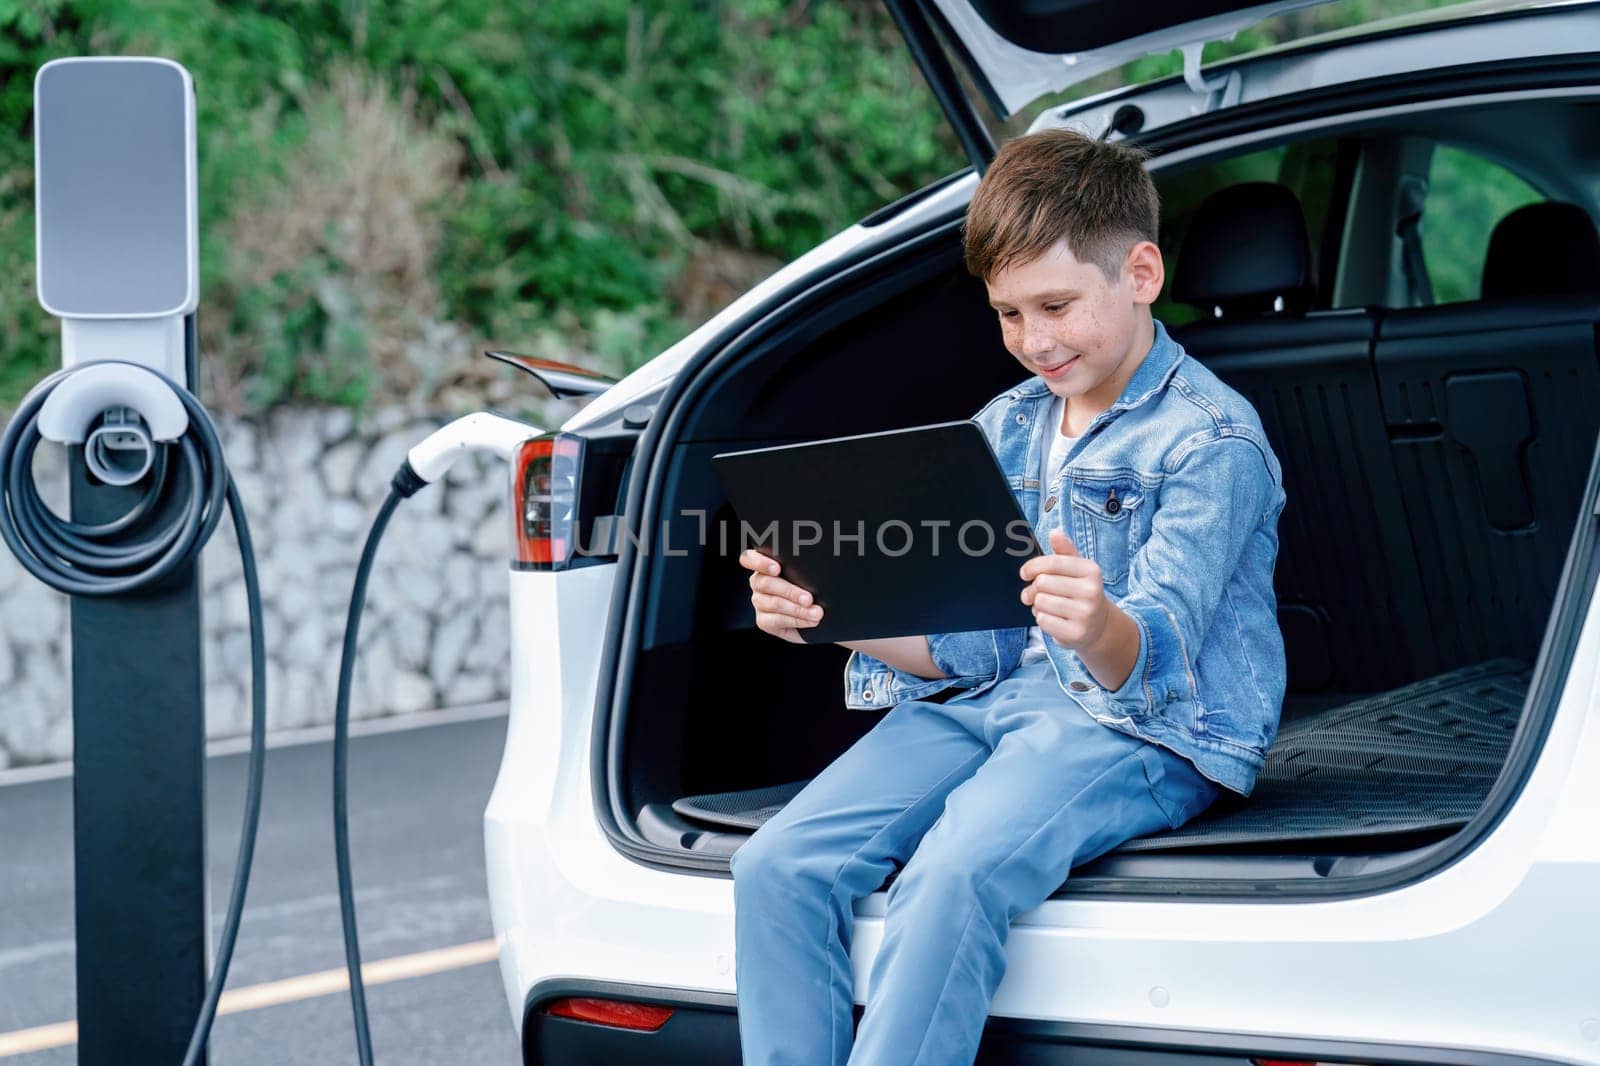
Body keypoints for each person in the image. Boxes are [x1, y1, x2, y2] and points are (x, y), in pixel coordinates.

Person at [729, 128, 1288, 1066]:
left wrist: (1099, 621)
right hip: (989, 705)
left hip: (1143, 724)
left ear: (1142, 272)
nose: (1033, 341)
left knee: (951, 874)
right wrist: (829, 617)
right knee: (776, 866)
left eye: (1057, 306)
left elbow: (1149, 656)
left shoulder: (1211, 440)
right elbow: (968, 647)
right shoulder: (1007, 422)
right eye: (1008, 315)